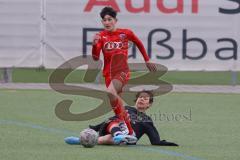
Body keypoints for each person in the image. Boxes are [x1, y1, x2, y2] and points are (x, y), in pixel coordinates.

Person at [91, 6, 157, 141]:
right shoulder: (101, 37)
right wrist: (94, 45)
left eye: (110, 19)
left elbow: (138, 43)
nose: (107, 22)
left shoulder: (125, 33)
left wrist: (147, 59)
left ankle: (124, 127)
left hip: (122, 72)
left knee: (110, 92)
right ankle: (130, 132)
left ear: (115, 20)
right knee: (117, 103)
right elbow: (95, 58)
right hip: (108, 74)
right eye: (104, 20)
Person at [65, 90, 178, 146]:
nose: (142, 99)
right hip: (116, 130)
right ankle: (118, 135)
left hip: (129, 137)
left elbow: (155, 140)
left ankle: (81, 141)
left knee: (111, 135)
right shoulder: (127, 108)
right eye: (140, 97)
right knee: (117, 121)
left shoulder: (147, 120)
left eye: (145, 98)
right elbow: (111, 119)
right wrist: (96, 127)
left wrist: (169, 144)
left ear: (149, 105)